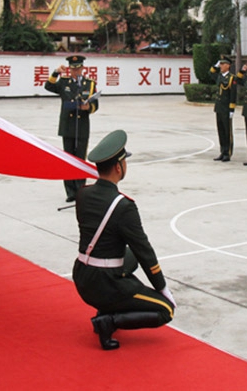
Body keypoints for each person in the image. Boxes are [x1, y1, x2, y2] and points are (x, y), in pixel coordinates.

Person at [73, 130, 175, 351]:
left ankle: (105, 308)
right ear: (119, 167)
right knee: (165, 310)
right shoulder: (123, 205)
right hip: (104, 283)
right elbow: (144, 250)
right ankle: (108, 321)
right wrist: (162, 288)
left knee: (129, 258)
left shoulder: (82, 194)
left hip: (82, 275)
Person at [44, 55, 99, 202]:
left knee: (80, 159)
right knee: (68, 159)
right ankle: (70, 192)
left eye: (78, 68)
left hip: (82, 126)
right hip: (67, 125)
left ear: (82, 68)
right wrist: (56, 73)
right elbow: (48, 86)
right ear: (69, 69)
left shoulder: (90, 84)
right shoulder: (63, 82)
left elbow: (96, 105)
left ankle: (80, 190)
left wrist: (89, 107)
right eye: (73, 69)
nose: (76, 71)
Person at [209, 55, 238, 162]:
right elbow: (211, 73)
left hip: (226, 108)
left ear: (228, 65)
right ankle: (222, 151)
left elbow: (233, 95)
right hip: (219, 108)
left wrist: (231, 109)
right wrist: (215, 66)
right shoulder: (220, 76)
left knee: (227, 131)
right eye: (220, 64)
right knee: (221, 131)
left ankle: (228, 152)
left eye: (223, 64)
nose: (221, 66)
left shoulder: (232, 78)